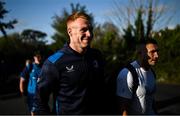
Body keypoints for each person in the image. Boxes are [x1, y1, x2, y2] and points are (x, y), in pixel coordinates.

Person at [32, 12, 105, 115]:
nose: (89, 34)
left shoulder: (97, 55)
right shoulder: (54, 62)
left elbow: (101, 89)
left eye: (90, 29)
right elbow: (39, 101)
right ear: (70, 32)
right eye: (83, 30)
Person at [116, 39, 159, 115]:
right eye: (152, 52)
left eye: (157, 51)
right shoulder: (127, 74)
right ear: (140, 53)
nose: (157, 55)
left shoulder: (152, 72)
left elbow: (150, 100)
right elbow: (123, 110)